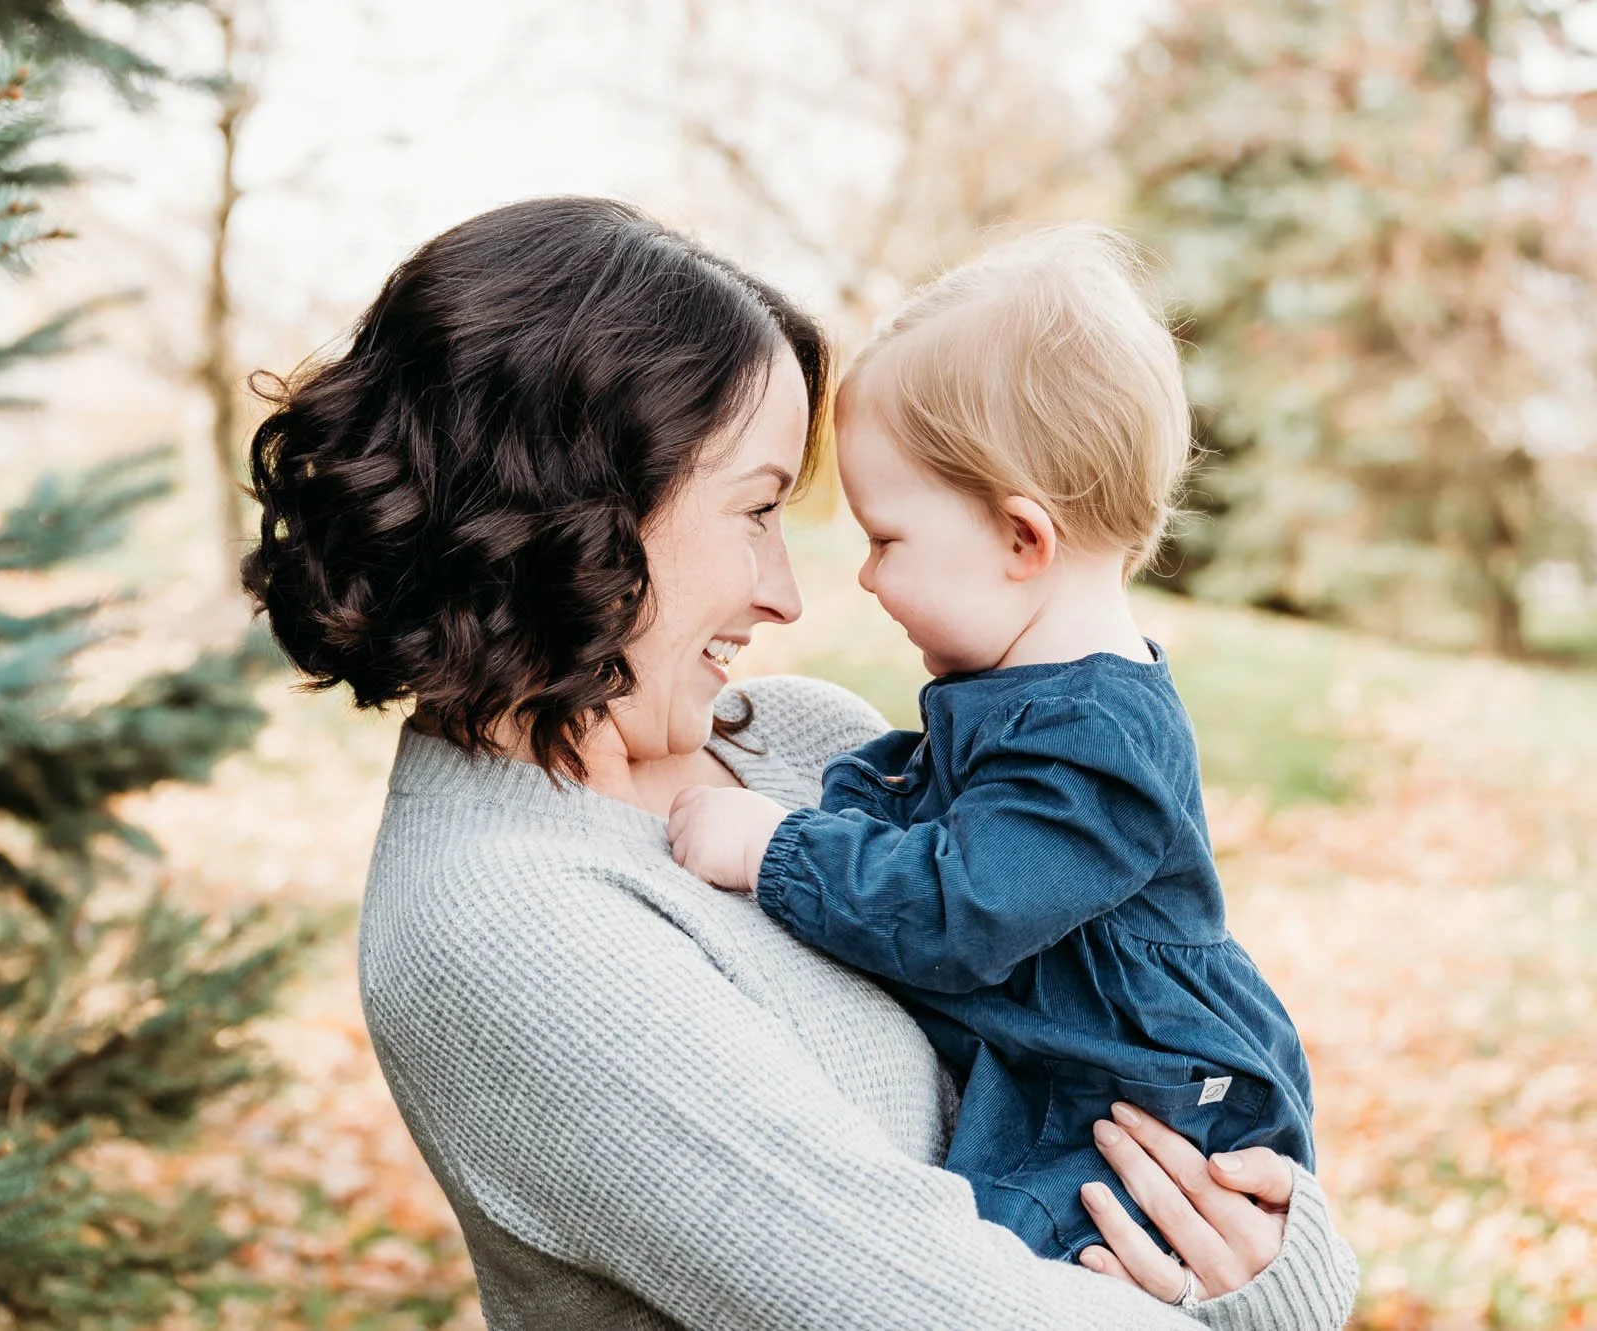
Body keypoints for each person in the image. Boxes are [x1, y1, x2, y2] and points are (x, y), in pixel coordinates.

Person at [244, 196, 1359, 1329]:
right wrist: (1275, 1310)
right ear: (579, 508)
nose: (789, 590)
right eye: (757, 509)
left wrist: (1265, 1250)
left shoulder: (801, 740)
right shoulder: (506, 929)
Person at [666, 225, 1316, 1271]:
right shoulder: (1023, 702)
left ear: (1022, 539)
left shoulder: (1091, 738)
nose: (866, 578)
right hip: (1078, 1090)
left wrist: (774, 846)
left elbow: (959, 910)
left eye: (886, 539)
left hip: (1147, 1117)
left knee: (977, 1269)